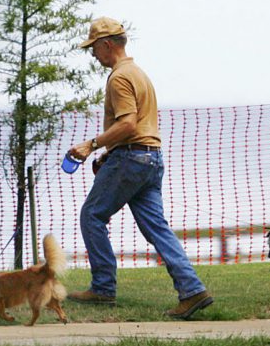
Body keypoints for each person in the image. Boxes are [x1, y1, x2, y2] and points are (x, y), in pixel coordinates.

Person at [66, 17, 213, 319]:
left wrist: (91, 145)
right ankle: (192, 289)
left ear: (107, 45)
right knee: (157, 228)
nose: (93, 54)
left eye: (93, 48)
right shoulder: (139, 73)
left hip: (132, 158)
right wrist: (110, 155)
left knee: (92, 215)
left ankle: (103, 288)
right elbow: (141, 126)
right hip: (151, 157)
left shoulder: (119, 77)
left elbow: (129, 124)